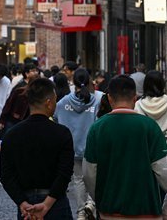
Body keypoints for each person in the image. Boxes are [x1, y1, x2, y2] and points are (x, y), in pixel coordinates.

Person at [83, 75, 167, 219]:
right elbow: (164, 170)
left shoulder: (97, 128)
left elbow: (89, 173)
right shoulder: (150, 127)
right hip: (146, 211)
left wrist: (99, 199)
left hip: (110, 212)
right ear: (135, 98)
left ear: (110, 98)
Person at [0, 78, 74, 219]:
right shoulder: (62, 133)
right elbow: (65, 173)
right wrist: (47, 203)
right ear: (48, 102)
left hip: (26, 205)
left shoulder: (12, 135)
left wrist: (21, 202)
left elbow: (6, 175)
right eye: (55, 100)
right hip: (56, 202)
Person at [54, 68, 102, 220]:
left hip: (72, 147)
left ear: (73, 82)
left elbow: (55, 118)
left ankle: (81, 212)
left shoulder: (64, 102)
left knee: (78, 179)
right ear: (89, 81)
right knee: (95, 177)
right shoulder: (97, 101)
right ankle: (91, 203)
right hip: (93, 148)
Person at [0, 63, 40, 135]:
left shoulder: (40, 92)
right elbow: (9, 103)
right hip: (15, 120)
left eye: (36, 71)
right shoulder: (19, 89)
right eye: (33, 71)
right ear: (26, 73)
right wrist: (2, 120)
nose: (36, 72)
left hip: (29, 122)